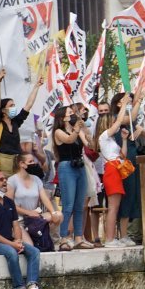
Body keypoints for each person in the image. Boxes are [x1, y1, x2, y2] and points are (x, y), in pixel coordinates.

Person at [0, 169, 48, 289]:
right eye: (1, 179)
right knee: (11, 253)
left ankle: (32, 286)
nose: (5, 181)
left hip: (9, 241)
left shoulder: (9, 202)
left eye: (5, 179)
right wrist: (12, 245)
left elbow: (16, 226)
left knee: (34, 251)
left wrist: (18, 241)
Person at [93, 98, 132, 247]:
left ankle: (110, 237)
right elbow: (119, 121)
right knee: (113, 207)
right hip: (112, 170)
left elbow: (123, 154)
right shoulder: (104, 136)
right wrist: (124, 105)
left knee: (115, 206)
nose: (113, 123)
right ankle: (109, 239)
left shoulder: (110, 140)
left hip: (116, 168)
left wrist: (123, 140)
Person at [110, 91, 145, 245]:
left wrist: (138, 130)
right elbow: (130, 117)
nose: (130, 103)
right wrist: (137, 100)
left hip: (133, 160)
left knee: (132, 196)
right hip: (121, 162)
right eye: (127, 101)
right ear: (119, 103)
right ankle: (119, 235)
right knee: (123, 198)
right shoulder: (115, 119)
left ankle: (125, 234)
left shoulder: (129, 123)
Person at [0, 69, 44, 176]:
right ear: (3, 110)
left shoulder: (16, 122)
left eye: (14, 105)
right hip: (3, 162)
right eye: (11, 106)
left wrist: (36, 87)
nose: (14, 108)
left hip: (17, 161)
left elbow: (28, 105)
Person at [54, 105, 93, 250]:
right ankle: (63, 238)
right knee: (68, 205)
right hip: (66, 167)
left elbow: (90, 144)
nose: (73, 115)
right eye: (70, 113)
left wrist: (86, 131)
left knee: (80, 206)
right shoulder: (58, 132)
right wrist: (77, 128)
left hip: (80, 167)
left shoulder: (77, 130)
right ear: (63, 117)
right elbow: (69, 140)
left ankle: (78, 237)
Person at [7, 152, 63, 242]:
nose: (34, 164)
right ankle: (28, 237)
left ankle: (41, 235)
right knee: (30, 246)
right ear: (22, 164)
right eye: (31, 161)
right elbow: (9, 204)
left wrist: (53, 212)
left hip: (34, 219)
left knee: (59, 215)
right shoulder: (12, 180)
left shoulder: (36, 179)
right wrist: (28, 212)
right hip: (19, 221)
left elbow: (44, 198)